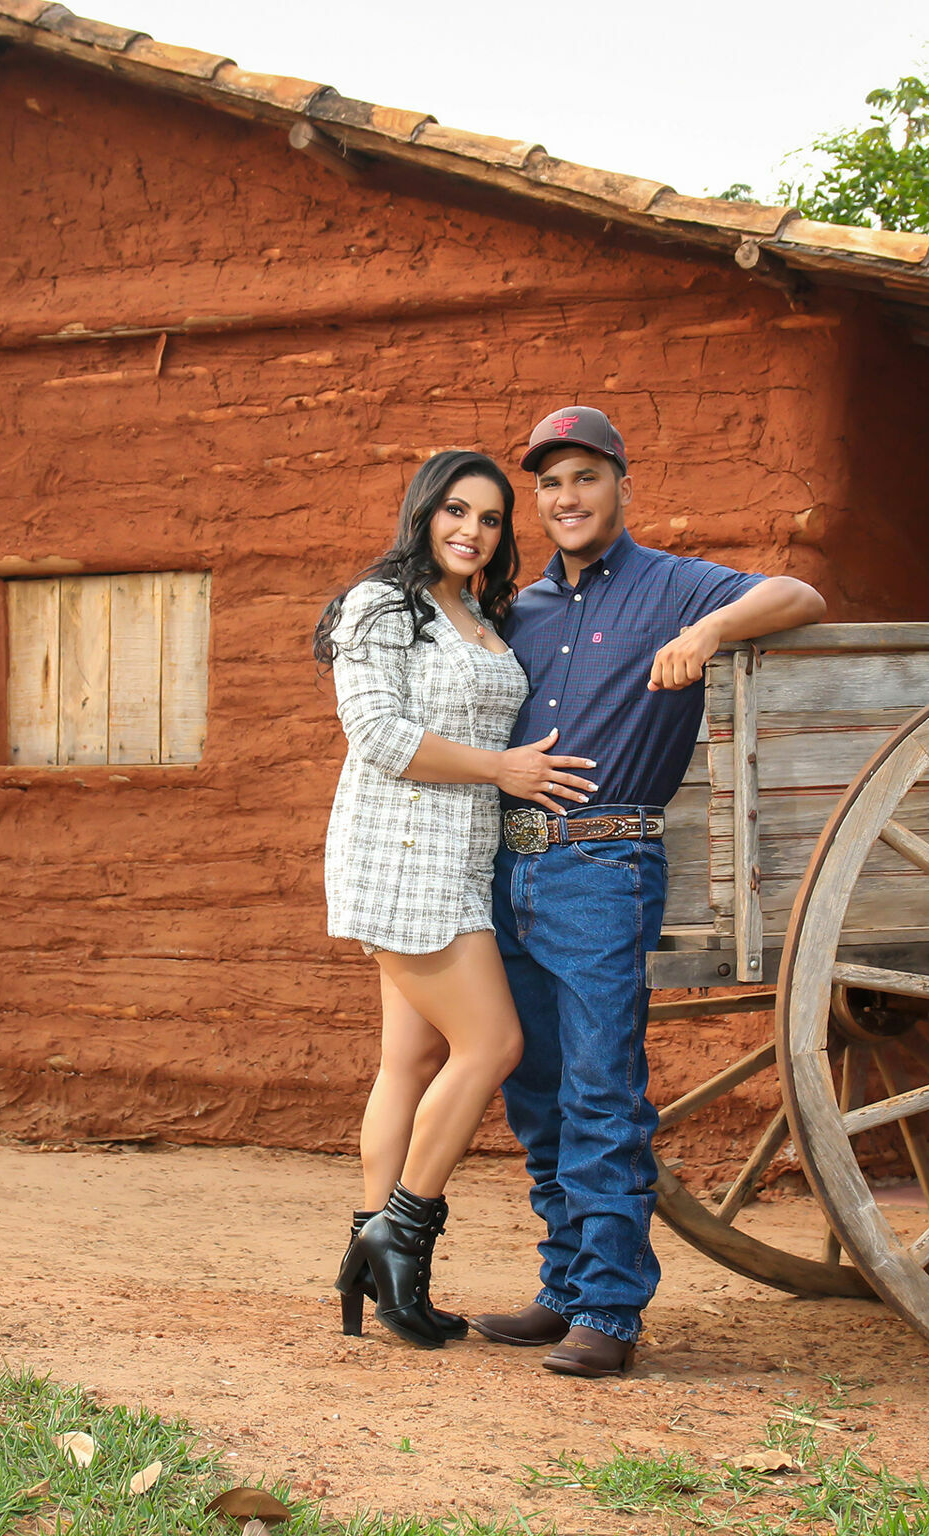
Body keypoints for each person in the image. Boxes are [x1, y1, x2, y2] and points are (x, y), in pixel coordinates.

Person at [470, 407, 827, 1377]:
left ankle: (613, 1312)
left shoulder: (674, 584)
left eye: (585, 477)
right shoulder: (518, 609)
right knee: (535, 1088)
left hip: (604, 866)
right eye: (549, 484)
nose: (567, 498)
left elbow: (801, 594)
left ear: (622, 485)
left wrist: (708, 632)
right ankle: (565, 1286)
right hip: (511, 867)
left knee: (599, 1088)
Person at [315, 449, 600, 1349]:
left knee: (408, 1059)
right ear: (422, 512)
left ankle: (375, 1257)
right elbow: (377, 734)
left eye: (488, 519)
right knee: (495, 1042)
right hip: (402, 852)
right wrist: (503, 769)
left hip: (464, 855)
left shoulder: (474, 611)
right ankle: (402, 1231)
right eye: (456, 511)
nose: (471, 531)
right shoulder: (381, 604)